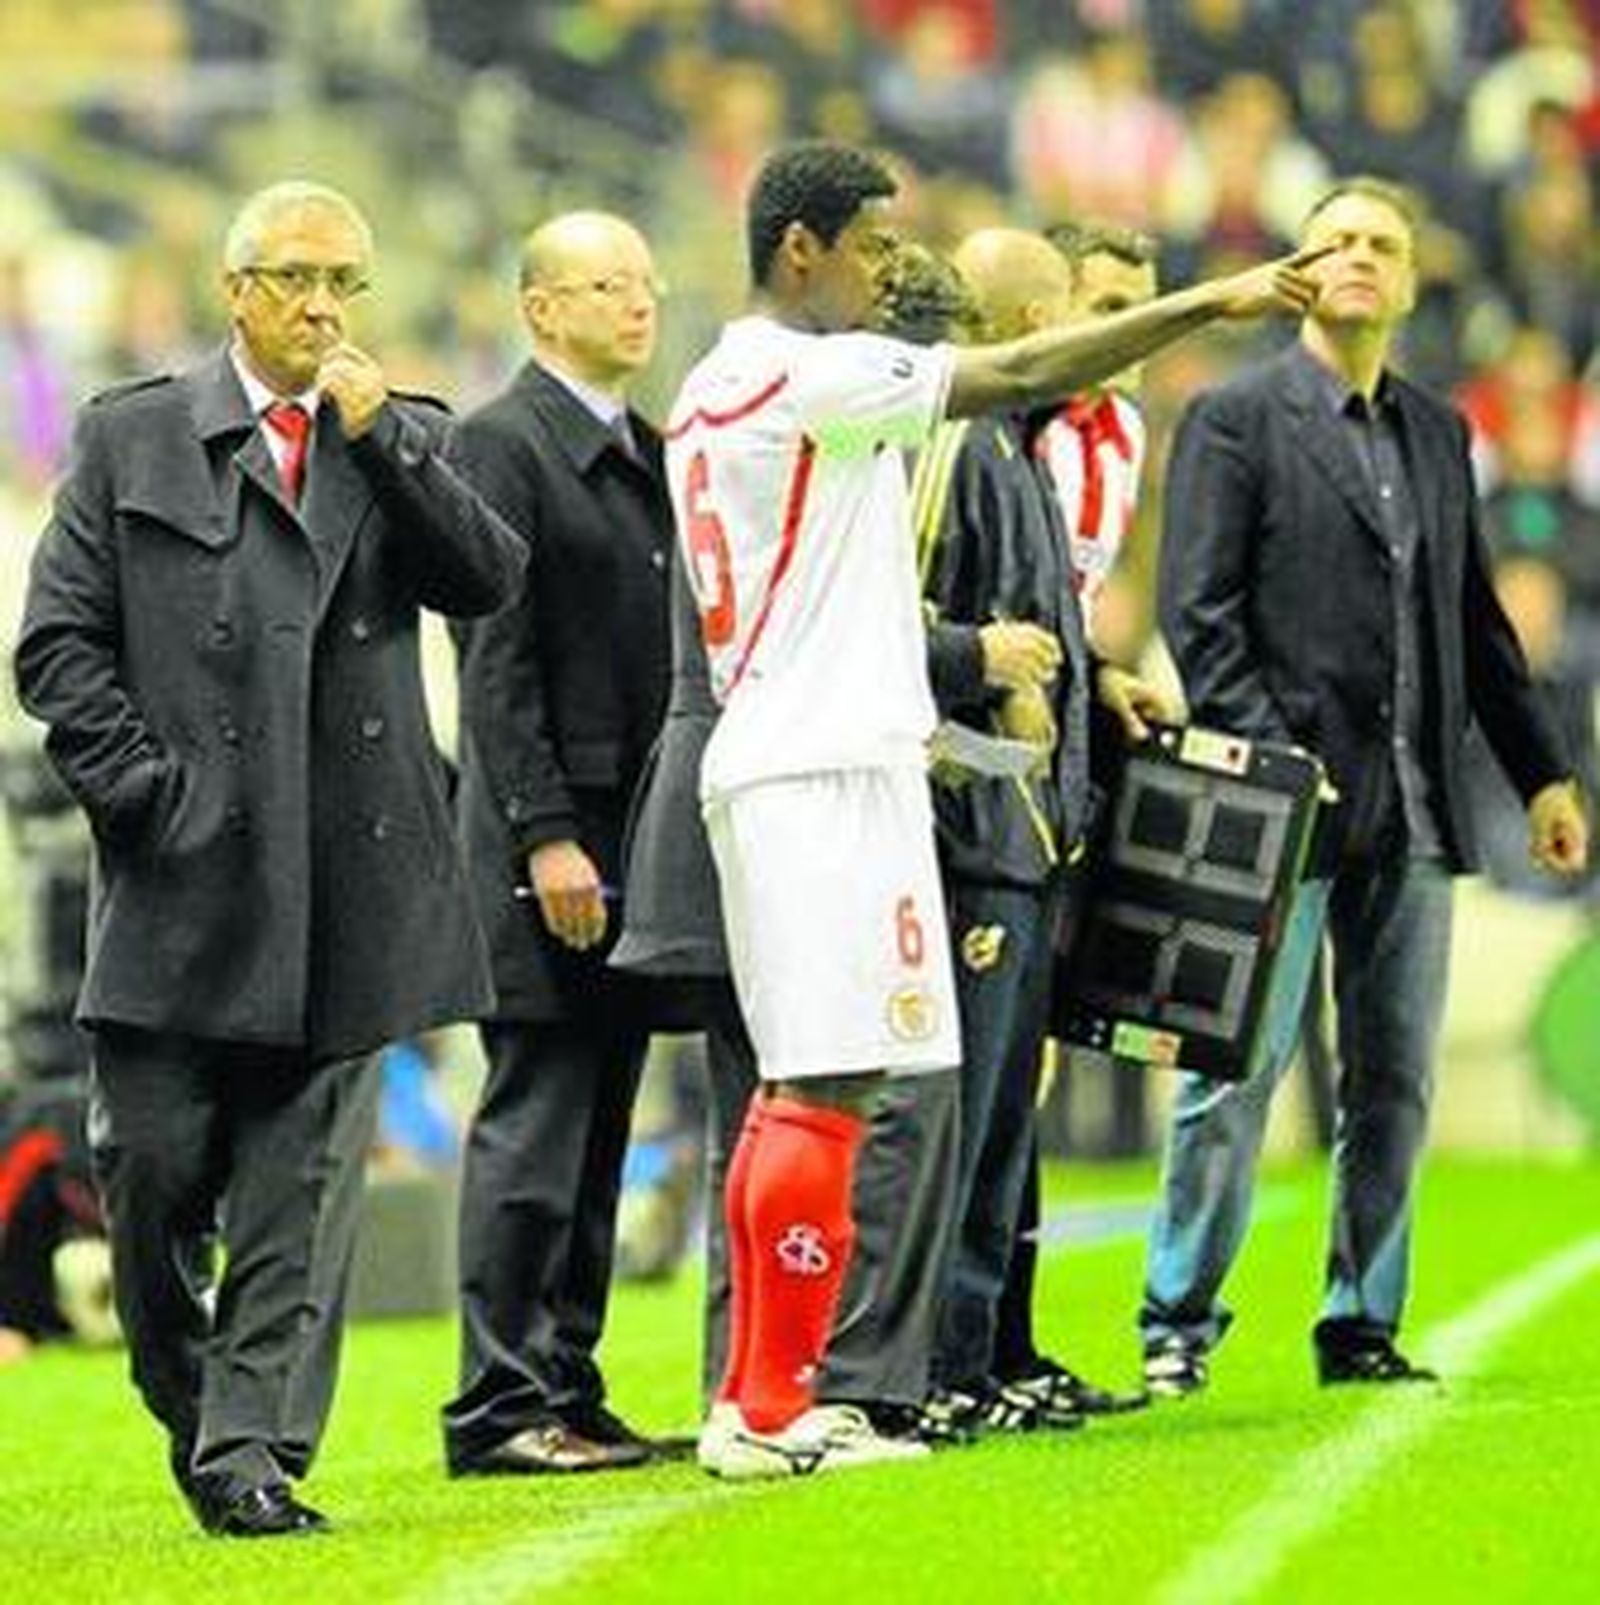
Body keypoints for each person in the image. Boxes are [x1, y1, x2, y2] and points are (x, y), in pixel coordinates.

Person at [668, 139, 1323, 1480]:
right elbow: (1020, 374)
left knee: (824, 1087)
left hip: (814, 755)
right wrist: (1214, 301)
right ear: (800, 248)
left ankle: (763, 1398)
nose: (884, 275)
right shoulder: (808, 373)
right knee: (827, 1086)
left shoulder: (722, 381)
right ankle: (774, 1408)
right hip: (819, 765)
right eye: (868, 249)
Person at [14, 180, 526, 1535]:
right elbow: (57, 648)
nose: (322, 307)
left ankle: (251, 1457)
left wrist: (389, 443)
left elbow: (488, 582)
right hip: (180, 881)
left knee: (297, 1195)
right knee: (149, 1177)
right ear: (235, 290)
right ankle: (198, 1407)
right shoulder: (132, 436)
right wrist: (148, 796)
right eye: (296, 278)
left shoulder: (400, 433)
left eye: (345, 282)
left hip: (352, 884)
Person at [1140, 176, 1590, 1400]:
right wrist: (1275, 763)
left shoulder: (1440, 432)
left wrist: (1543, 774)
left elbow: (1475, 622)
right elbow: (1197, 613)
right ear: (1297, 272)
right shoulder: (1233, 419)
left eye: (1379, 244)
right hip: (1281, 809)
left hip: (1415, 804)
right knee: (1231, 1075)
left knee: (1393, 1081)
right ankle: (1175, 1323)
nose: (1355, 256)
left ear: (1406, 280)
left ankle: (1360, 1324)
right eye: (1333, 240)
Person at [913, 226, 1166, 1435]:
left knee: (1009, 1111)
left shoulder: (1020, 446)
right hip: (976, 825)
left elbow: (1040, 622)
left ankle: (987, 1357)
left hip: (1028, 825)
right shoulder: (961, 442)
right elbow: (902, 614)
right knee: (970, 1114)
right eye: (1075, 304)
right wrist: (981, 673)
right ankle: (946, 1365)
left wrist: (1088, 679)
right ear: (1028, 323)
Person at [440, 213, 676, 1477]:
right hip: (552, 842)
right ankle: (497, 1403)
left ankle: (567, 1384)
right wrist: (543, 835)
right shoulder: (500, 444)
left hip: (633, 833)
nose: (638, 304)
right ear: (539, 308)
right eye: (605, 285)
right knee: (535, 1117)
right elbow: (495, 660)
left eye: (645, 284)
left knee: (599, 1123)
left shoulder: (647, 448)